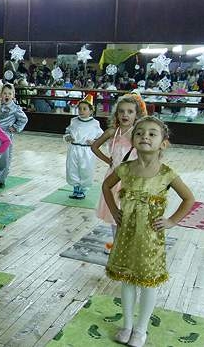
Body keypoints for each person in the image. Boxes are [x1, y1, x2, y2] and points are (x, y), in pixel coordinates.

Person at [103, 117, 194, 347]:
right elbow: (106, 186)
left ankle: (141, 329)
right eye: (140, 132)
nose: (145, 136)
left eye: (152, 133)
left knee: (147, 282)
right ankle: (127, 325)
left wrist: (172, 221)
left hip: (151, 238)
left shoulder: (167, 173)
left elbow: (189, 199)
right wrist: (113, 210)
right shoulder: (124, 168)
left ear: (163, 143)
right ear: (133, 139)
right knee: (127, 280)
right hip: (126, 235)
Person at [92, 94, 146, 253]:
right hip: (113, 179)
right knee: (114, 213)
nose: (125, 115)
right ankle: (117, 243)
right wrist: (108, 160)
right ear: (116, 114)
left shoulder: (138, 133)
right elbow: (94, 147)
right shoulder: (112, 132)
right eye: (121, 111)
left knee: (130, 212)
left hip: (132, 178)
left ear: (137, 115)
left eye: (130, 111)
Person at [64, 94, 103, 199]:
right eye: (80, 108)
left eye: (84, 109)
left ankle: (83, 189)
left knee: (86, 169)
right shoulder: (74, 121)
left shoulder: (95, 123)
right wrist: (68, 137)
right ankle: (76, 188)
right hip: (74, 149)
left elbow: (101, 136)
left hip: (87, 151)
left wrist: (94, 142)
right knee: (72, 168)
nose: (81, 111)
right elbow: (68, 131)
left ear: (91, 111)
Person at [0, 83, 28, 189]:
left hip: (5, 137)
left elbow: (24, 119)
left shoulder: (15, 108)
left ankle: (1, 179)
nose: (7, 95)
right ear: (1, 94)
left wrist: (15, 127)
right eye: (4, 93)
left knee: (4, 158)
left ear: (13, 95)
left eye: (9, 93)